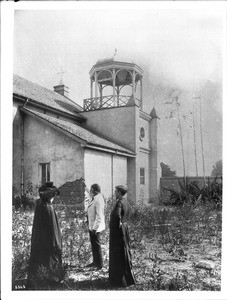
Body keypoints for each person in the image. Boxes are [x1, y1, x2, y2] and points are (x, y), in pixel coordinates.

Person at [27, 181, 63, 289]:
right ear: (50, 196)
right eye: (53, 196)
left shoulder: (40, 205)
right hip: (49, 242)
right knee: (48, 258)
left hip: (39, 241)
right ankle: (51, 279)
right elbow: (53, 229)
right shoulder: (48, 207)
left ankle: (40, 279)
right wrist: (56, 243)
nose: (54, 198)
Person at [109, 185, 136, 287]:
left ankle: (118, 280)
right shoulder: (127, 202)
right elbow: (128, 213)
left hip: (118, 232)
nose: (114, 193)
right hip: (125, 229)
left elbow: (116, 215)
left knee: (118, 254)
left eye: (116, 191)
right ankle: (127, 279)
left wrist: (115, 225)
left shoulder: (120, 202)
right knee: (125, 252)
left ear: (120, 192)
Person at [85, 182, 105, 270]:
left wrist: (95, 229)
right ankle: (95, 262)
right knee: (94, 245)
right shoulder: (95, 197)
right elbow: (89, 194)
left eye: (91, 189)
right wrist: (84, 186)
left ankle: (99, 264)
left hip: (95, 227)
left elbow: (99, 216)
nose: (90, 191)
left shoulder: (98, 199)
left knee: (96, 245)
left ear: (94, 190)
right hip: (92, 226)